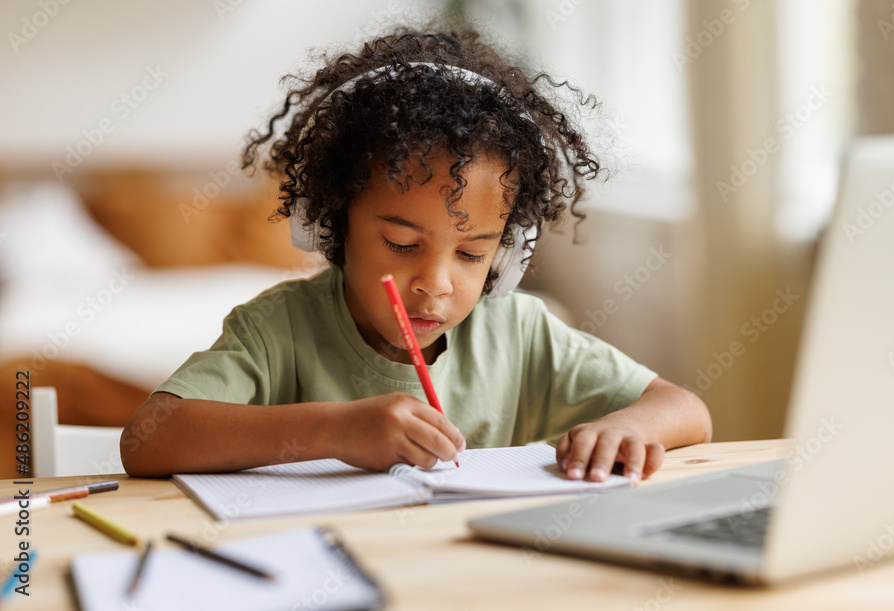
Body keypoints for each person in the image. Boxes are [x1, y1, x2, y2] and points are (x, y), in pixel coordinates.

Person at [120, 26, 711, 481]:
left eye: (474, 253)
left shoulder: (524, 333)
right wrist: (334, 429)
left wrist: (626, 428)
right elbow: (148, 437)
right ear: (332, 223)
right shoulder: (278, 330)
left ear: (508, 257)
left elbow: (685, 409)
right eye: (402, 244)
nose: (435, 283)